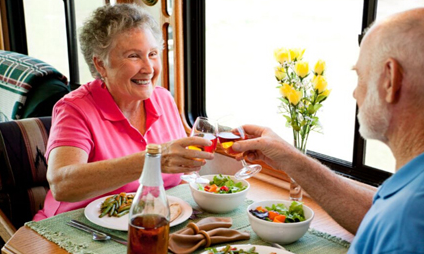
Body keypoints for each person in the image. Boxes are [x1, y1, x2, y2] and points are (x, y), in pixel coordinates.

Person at [232, 7, 424, 254]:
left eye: (360, 75)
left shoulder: (405, 222)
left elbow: (394, 223)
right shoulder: (409, 191)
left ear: (390, 80)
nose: (355, 93)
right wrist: (290, 158)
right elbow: (375, 214)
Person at [33, 3, 213, 221]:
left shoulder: (163, 98)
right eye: (133, 56)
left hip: (146, 222)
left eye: (153, 54)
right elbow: (62, 185)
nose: (148, 68)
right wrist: (154, 159)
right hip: (76, 227)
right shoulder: (74, 108)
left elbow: (182, 174)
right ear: (101, 64)